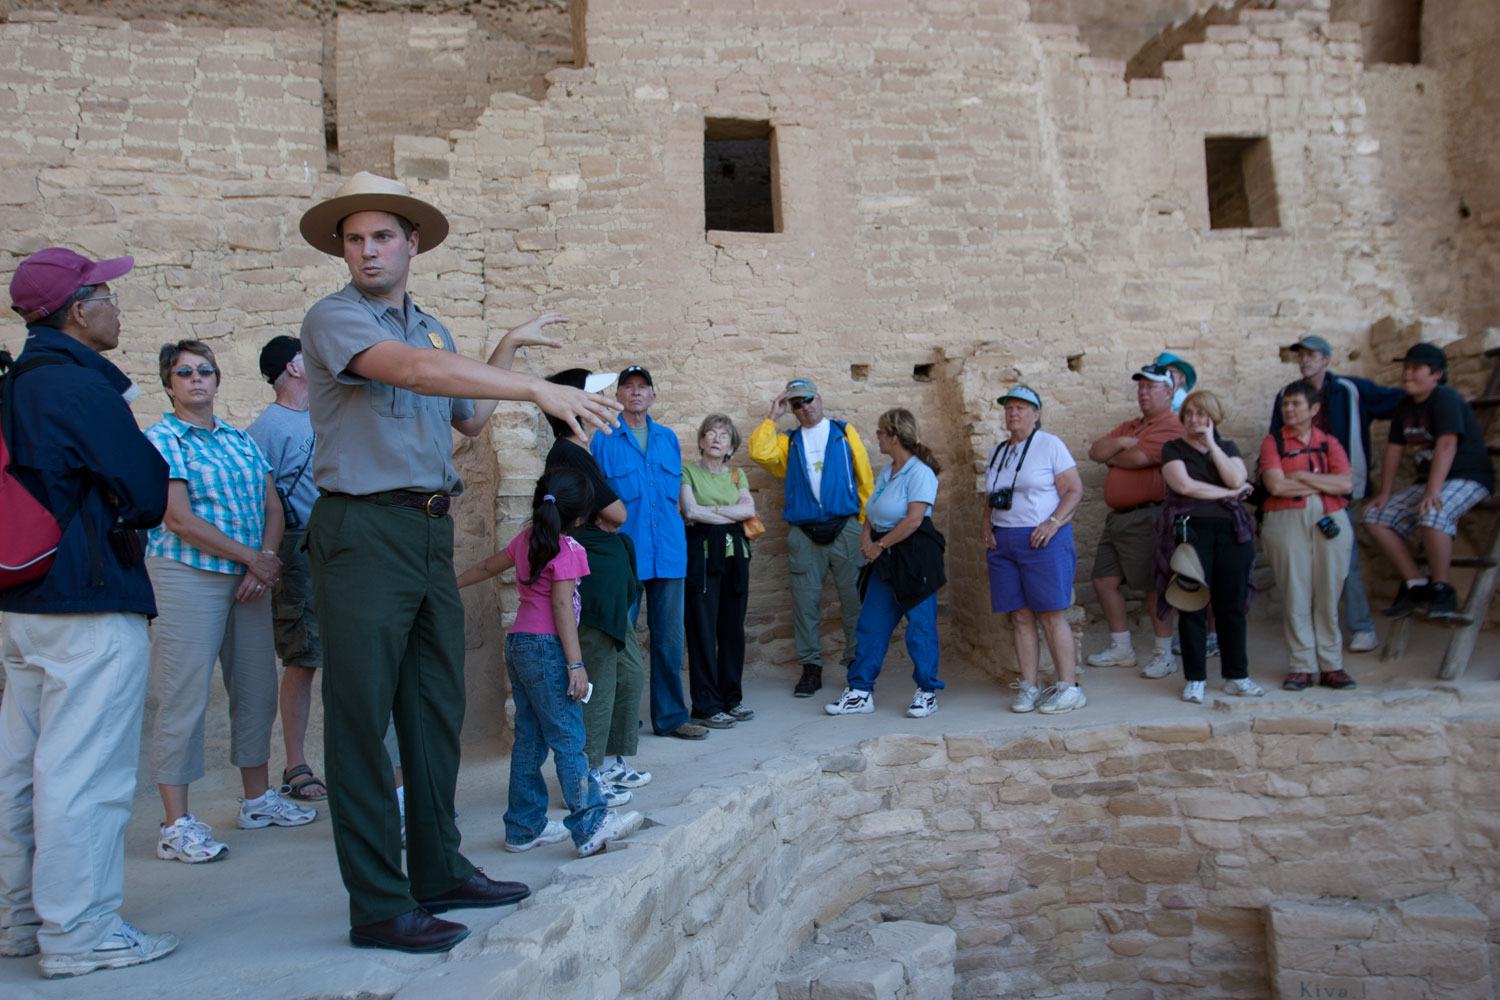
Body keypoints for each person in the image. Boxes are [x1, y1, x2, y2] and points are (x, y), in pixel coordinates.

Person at [296, 171, 620, 953]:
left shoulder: (434, 329)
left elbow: (468, 421)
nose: (368, 250)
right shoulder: (336, 317)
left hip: (427, 532)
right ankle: (378, 903)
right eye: (354, 239)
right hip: (364, 530)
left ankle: (437, 868)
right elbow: (410, 372)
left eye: (382, 237)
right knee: (362, 717)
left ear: (412, 246)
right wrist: (534, 385)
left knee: (432, 709)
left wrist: (506, 348)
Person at [0, 248, 178, 978]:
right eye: (106, 293)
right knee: (85, 777)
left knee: (21, 769)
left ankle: (19, 921)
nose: (115, 305)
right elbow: (143, 489)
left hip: (24, 601)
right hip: (88, 597)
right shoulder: (79, 387)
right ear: (79, 309)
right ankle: (79, 934)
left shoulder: (16, 382)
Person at [144, 340, 316, 866]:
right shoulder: (161, 439)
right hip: (188, 574)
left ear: (218, 380)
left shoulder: (240, 441)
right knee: (185, 695)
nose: (196, 379)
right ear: (169, 383)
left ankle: (258, 799)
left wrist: (262, 558)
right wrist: (255, 559)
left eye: (205, 371)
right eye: (184, 372)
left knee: (256, 689)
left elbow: (272, 504)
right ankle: (175, 823)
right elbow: (177, 518)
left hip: (246, 579)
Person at [456, 470, 643, 857]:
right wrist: (576, 665)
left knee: (530, 739)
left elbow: (488, 567)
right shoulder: (570, 550)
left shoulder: (527, 540)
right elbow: (561, 607)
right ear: (581, 517)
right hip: (548, 649)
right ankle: (591, 825)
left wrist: (448, 582)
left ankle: (524, 826)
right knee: (569, 739)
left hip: (519, 644)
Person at [540, 369, 649, 807]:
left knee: (629, 670)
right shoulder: (569, 455)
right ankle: (584, 778)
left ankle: (611, 760)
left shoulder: (582, 452)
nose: (608, 401)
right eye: (598, 396)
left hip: (607, 578)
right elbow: (617, 514)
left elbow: (608, 515)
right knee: (599, 679)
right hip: (593, 581)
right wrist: (607, 517)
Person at [589, 366, 707, 741]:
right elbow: (596, 499)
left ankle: (671, 717)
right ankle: (620, 724)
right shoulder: (603, 440)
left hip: (670, 554)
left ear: (653, 396)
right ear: (619, 396)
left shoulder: (668, 438)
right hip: (625, 555)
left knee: (670, 642)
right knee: (618, 641)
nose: (636, 393)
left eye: (643, 388)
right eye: (629, 387)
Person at [1269, 334, 1404, 652]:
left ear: (1326, 359)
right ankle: (1314, 633)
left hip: (1340, 490)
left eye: (1312, 355)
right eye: (1301, 355)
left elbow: (1401, 400)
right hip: (1300, 494)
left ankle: (1361, 627)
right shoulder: (1287, 396)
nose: (1305, 361)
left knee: (1346, 559)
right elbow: (1277, 440)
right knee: (1304, 563)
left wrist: (1447, 398)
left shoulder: (1351, 390)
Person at [748, 378, 874, 698]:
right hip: (803, 532)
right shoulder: (787, 442)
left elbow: (865, 478)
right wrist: (772, 417)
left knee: (853, 601)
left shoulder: (844, 432)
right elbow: (759, 453)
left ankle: (856, 665)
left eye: (807, 400)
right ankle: (811, 668)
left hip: (845, 527)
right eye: (796, 404)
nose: (804, 408)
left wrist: (864, 526)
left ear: (819, 398)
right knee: (805, 604)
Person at [246, 336, 326, 801]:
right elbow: (262, 503)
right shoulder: (267, 429)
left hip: (340, 546)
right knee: (303, 659)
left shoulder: (328, 414)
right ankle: (295, 763)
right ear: (295, 367)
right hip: (298, 550)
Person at [824, 409, 945, 718]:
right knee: (872, 622)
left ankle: (927, 691)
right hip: (885, 555)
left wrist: (878, 546)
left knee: (920, 625)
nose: (876, 437)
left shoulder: (920, 473)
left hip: (914, 555)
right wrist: (867, 538)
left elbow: (914, 520)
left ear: (894, 436)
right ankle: (861, 691)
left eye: (879, 432)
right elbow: (873, 510)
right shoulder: (888, 470)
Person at [1363, 343, 1495, 619]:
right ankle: (1416, 582)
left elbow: (1447, 445)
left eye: (1415, 368)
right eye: (1405, 368)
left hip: (1467, 476)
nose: (1407, 374)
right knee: (1376, 517)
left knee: (1433, 511)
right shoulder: (1404, 406)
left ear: (1436, 374)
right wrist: (1385, 492)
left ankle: (1441, 586)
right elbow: (1394, 450)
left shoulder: (1444, 397)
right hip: (1430, 481)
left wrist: (1433, 490)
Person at [981, 386, 1086, 715]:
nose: (1014, 413)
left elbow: (1073, 489)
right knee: (1020, 615)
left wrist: (1053, 522)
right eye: (1009, 408)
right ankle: (1029, 686)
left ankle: (1069, 687)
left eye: (1022, 408)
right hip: (1005, 539)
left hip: (1041, 539)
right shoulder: (999, 451)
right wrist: (986, 523)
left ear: (1036, 414)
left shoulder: (1049, 445)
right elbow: (992, 496)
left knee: (1051, 613)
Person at [1155, 390, 1263, 703]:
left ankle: (1236, 675)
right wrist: (1229, 494)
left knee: (1231, 606)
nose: (1194, 420)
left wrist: (1212, 444)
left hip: (1231, 532)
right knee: (1192, 605)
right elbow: (1184, 486)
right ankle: (1195, 678)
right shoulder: (1172, 448)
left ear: (1213, 418)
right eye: (1188, 414)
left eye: (1201, 414)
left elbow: (1235, 478)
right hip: (1192, 533)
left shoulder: (1227, 448)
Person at [1085, 363, 1182, 677]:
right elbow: (1095, 451)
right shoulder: (1131, 427)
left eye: (1151, 387)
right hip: (1120, 519)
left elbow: (1139, 458)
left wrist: (1117, 454)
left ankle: (1163, 652)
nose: (1144, 393)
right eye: (1141, 387)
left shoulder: (1170, 424)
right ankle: (1121, 647)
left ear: (1169, 392)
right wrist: (1124, 444)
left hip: (1147, 515)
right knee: (1103, 579)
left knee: (1154, 586)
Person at [1259, 380, 1357, 691]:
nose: (1289, 409)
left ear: (1313, 409)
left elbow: (1346, 485)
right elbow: (1276, 486)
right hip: (1285, 518)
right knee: (1295, 592)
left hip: (1329, 517)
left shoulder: (1329, 442)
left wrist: (1300, 476)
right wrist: (1320, 481)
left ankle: (1332, 664)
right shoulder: (1273, 442)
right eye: (1286, 404)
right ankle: (1301, 665)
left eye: (1296, 404)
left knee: (1329, 591)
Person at [679, 414, 758, 729]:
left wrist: (708, 511)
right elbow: (688, 510)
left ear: (731, 447)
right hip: (701, 557)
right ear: (701, 441)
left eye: (723, 435)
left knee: (732, 630)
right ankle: (706, 706)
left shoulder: (737, 475)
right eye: (709, 433)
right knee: (702, 630)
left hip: (735, 558)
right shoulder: (688, 472)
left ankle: (731, 699)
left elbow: (749, 510)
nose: (715, 438)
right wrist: (729, 513)